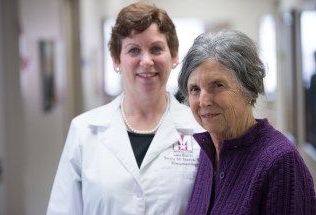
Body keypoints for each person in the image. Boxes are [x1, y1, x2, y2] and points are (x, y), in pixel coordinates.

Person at [47, 2, 203, 215]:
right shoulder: (84, 131)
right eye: (134, 50)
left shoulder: (200, 130)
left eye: (156, 48)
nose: (146, 61)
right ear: (116, 59)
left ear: (174, 55)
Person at [178, 29, 316, 214]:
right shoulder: (208, 151)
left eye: (218, 85)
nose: (203, 101)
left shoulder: (279, 161)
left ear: (249, 90)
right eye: (195, 89)